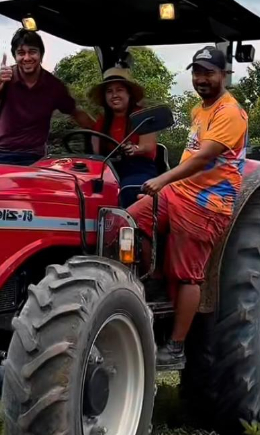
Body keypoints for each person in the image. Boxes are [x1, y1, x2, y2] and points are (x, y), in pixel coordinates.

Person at [127, 47, 249, 370]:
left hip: (206, 203)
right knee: (129, 221)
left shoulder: (230, 113)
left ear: (224, 75)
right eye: (196, 72)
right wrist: (168, 185)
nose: (201, 79)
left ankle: (177, 345)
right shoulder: (199, 110)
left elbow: (203, 157)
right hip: (178, 193)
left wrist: (161, 179)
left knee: (187, 276)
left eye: (208, 72)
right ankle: (151, 277)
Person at [0, 28, 94, 165]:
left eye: (32, 52)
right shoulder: (6, 77)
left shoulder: (54, 86)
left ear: (41, 55)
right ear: (15, 56)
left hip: (34, 157)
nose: (27, 58)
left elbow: (75, 112)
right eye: (21, 53)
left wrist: (100, 130)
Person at [87, 67, 158, 207]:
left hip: (139, 167)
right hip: (109, 169)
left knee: (129, 188)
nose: (114, 95)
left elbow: (148, 146)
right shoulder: (102, 121)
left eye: (119, 90)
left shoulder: (142, 117)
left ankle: (129, 227)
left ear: (129, 93)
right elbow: (95, 152)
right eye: (109, 91)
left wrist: (135, 149)